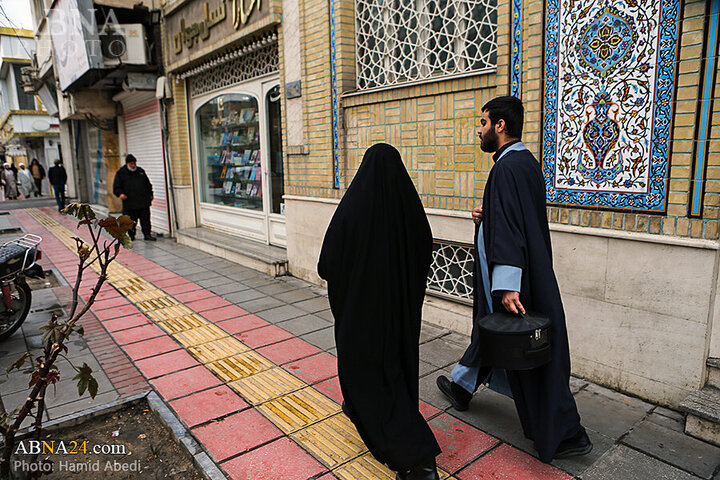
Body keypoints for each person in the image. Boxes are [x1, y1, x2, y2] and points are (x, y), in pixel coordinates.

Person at [436, 96, 592, 463]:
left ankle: (565, 432)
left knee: (527, 353)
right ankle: (462, 385)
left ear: (500, 125)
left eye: (483, 122)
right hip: (530, 270)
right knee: (497, 337)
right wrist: (485, 215)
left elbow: (509, 229)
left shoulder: (507, 168)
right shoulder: (524, 163)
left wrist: (507, 284)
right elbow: (511, 217)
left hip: (517, 280)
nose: (479, 129)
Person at [318, 143, 441, 480]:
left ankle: (418, 460)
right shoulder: (409, 208)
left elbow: (327, 264)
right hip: (400, 317)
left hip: (362, 318)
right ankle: (358, 410)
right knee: (398, 374)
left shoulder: (352, 208)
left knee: (366, 378)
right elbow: (424, 249)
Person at [112, 154, 156, 241]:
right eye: (131, 163)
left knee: (146, 220)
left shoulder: (140, 171)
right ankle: (131, 235)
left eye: (134, 163)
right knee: (131, 221)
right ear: (127, 164)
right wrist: (120, 194)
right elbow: (116, 187)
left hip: (143, 202)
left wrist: (150, 195)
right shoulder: (121, 173)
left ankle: (147, 234)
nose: (133, 165)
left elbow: (148, 184)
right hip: (129, 203)